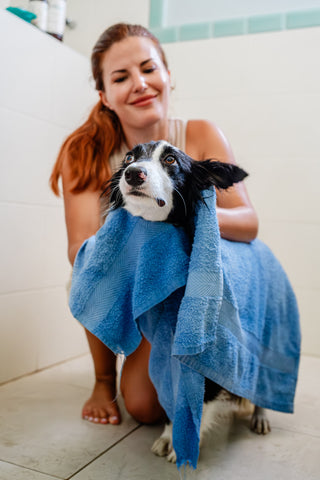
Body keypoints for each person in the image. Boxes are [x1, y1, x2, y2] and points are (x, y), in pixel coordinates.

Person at [50, 23, 258, 427]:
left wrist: (180, 220)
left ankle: (227, 364)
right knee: (85, 271)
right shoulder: (86, 152)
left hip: (183, 283)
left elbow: (248, 224)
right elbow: (80, 248)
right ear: (104, 96)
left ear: (167, 75)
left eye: (149, 68)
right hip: (127, 280)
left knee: (148, 406)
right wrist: (136, 236)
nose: (140, 84)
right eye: (121, 77)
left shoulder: (198, 134)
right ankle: (103, 379)